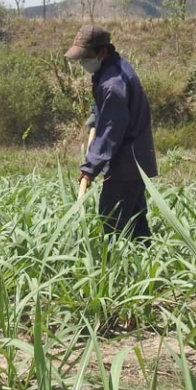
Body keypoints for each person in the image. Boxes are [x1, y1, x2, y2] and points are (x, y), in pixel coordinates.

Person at [65, 24, 157, 239]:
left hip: (124, 162)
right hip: (135, 160)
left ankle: (115, 269)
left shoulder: (112, 85)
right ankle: (144, 264)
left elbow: (111, 130)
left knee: (112, 222)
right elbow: (106, 111)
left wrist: (90, 168)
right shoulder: (114, 68)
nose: (82, 62)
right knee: (136, 222)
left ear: (102, 52)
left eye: (85, 57)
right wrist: (95, 113)